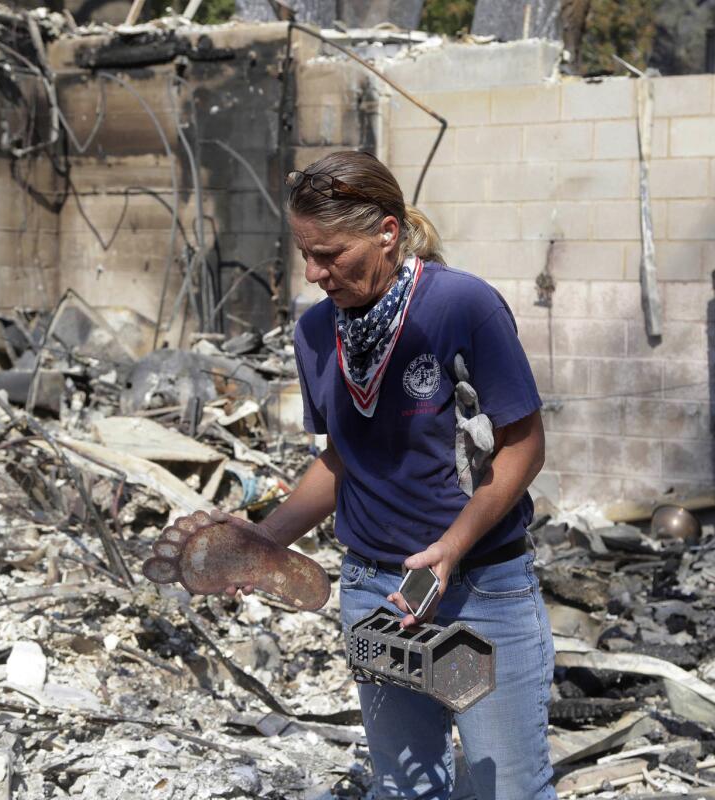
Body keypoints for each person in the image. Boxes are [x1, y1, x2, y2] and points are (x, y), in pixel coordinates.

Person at [230, 150, 554, 799]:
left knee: (507, 788)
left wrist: (452, 546)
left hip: (478, 594)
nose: (315, 273)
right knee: (406, 788)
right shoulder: (318, 332)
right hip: (376, 598)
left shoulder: (461, 306)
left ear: (386, 232)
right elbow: (343, 457)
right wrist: (264, 543)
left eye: (331, 254)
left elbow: (524, 446)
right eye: (305, 253)